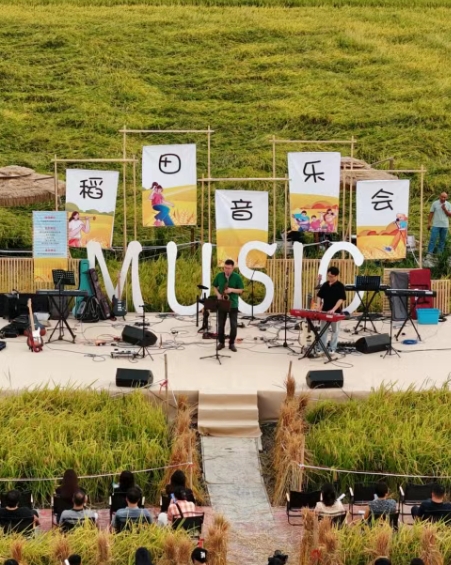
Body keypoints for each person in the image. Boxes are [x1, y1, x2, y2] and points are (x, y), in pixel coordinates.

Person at [213, 259, 244, 353]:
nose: (226, 270)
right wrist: (218, 294)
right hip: (222, 303)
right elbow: (214, 286)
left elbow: (241, 290)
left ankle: (231, 343)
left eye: (229, 268)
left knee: (233, 325)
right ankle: (221, 342)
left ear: (233, 268)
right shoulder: (219, 276)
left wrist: (231, 290)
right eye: (225, 268)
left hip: (233, 304)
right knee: (220, 324)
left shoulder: (237, 277)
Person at [316, 266, 347, 354]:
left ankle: (332, 348)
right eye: (328, 276)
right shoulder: (325, 284)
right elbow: (319, 296)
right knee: (323, 330)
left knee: (335, 331)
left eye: (331, 276)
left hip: (335, 312)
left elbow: (341, 299)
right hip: (324, 310)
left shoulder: (340, 286)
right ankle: (321, 348)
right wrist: (318, 305)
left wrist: (333, 309)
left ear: (336, 276)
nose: (329, 278)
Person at [426, 192, 451, 257]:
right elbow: (431, 213)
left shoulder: (448, 204)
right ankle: (429, 253)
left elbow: (450, 215)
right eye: (442, 197)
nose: (443, 198)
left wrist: (445, 209)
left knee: (442, 240)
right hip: (436, 225)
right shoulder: (435, 203)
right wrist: (429, 223)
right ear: (439, 196)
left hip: (445, 225)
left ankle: (439, 254)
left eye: (444, 197)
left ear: (446, 197)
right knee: (433, 239)